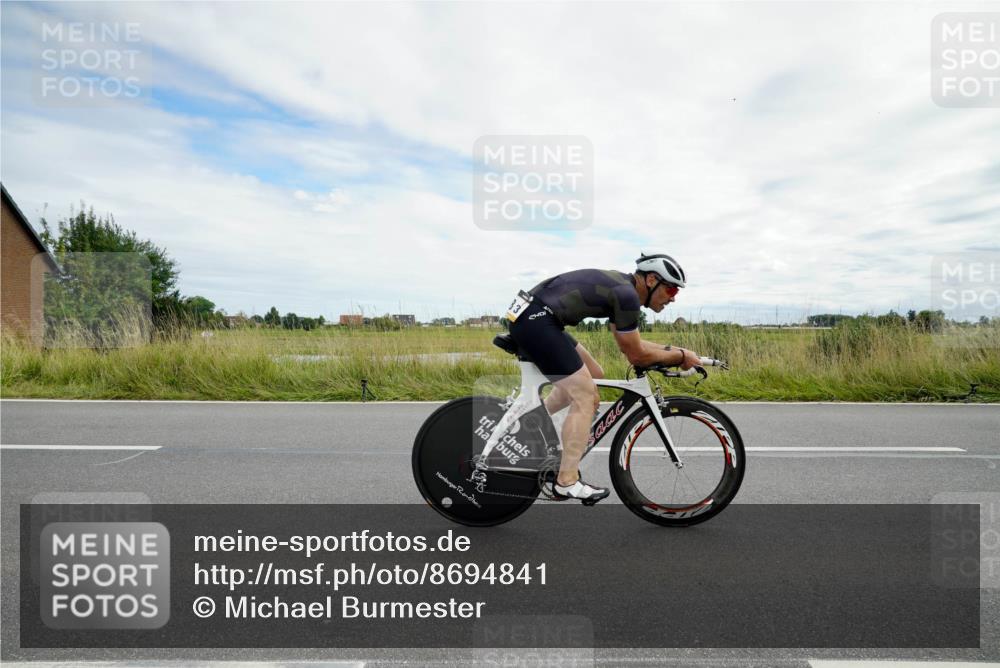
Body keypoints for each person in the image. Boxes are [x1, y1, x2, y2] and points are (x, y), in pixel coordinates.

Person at [506, 253, 701, 503]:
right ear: (652, 280)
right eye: (672, 290)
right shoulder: (627, 295)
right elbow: (636, 355)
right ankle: (566, 482)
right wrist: (680, 355)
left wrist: (676, 353)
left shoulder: (623, 290)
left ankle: (531, 423)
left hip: (537, 316)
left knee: (594, 374)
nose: (673, 299)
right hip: (537, 318)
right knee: (585, 396)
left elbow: (633, 344)